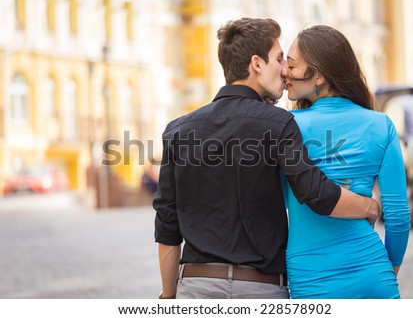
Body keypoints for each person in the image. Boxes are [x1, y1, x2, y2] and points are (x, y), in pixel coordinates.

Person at [154, 18, 380, 300]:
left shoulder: (178, 130)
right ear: (257, 64)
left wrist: (168, 295)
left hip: (196, 288)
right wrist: (369, 207)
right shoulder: (279, 123)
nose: (285, 69)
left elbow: (167, 224)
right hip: (260, 289)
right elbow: (316, 193)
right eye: (279, 58)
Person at [283, 25, 411, 298]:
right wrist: (388, 269)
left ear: (317, 76)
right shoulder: (381, 125)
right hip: (373, 273)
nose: (284, 72)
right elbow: (398, 217)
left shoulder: (286, 128)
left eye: (291, 66)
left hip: (311, 278)